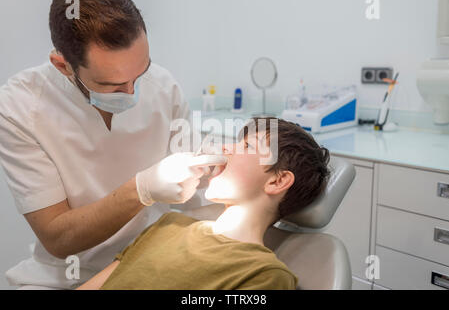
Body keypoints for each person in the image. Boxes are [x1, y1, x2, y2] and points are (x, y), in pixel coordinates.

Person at [0, 0, 225, 290]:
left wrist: (212, 172)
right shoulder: (20, 107)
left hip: (151, 262)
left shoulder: (163, 86)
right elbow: (57, 236)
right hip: (65, 275)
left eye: (140, 73)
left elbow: (200, 200)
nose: (132, 92)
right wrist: (141, 189)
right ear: (63, 66)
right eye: (113, 85)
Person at [77, 118, 330, 290]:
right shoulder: (169, 224)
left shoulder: (264, 274)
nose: (225, 148)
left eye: (246, 146)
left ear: (277, 180)